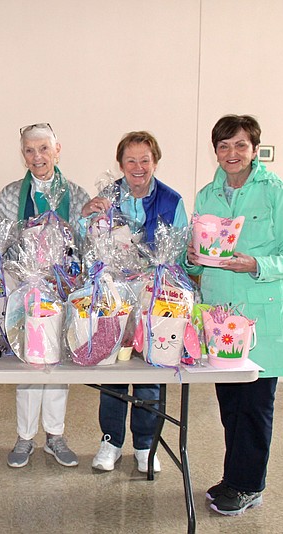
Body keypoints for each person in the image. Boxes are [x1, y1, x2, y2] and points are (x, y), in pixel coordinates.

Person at [186, 115, 283, 516]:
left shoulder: (275, 193)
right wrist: (192, 261)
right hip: (221, 319)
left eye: (240, 145)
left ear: (254, 149)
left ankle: (249, 485)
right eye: (224, 146)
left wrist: (255, 263)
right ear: (215, 151)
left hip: (262, 321)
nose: (232, 154)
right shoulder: (207, 196)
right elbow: (202, 260)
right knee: (231, 406)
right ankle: (234, 477)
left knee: (255, 407)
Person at [80, 130, 188, 474]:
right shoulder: (107, 198)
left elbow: (183, 253)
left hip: (156, 295)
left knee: (148, 370)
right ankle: (110, 441)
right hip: (114, 294)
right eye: (131, 160)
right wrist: (86, 216)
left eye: (145, 159)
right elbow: (84, 244)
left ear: (155, 161)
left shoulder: (172, 201)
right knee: (111, 366)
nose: (138, 167)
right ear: (120, 164)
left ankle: (145, 444)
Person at [0, 123, 89, 469]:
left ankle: (55, 435)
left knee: (57, 364)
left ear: (57, 150)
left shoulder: (77, 195)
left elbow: (86, 242)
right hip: (24, 286)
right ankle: (24, 436)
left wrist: (69, 238)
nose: (37, 157)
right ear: (23, 155)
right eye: (30, 151)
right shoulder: (9, 194)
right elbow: (2, 242)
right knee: (29, 360)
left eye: (44, 149)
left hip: (63, 288)